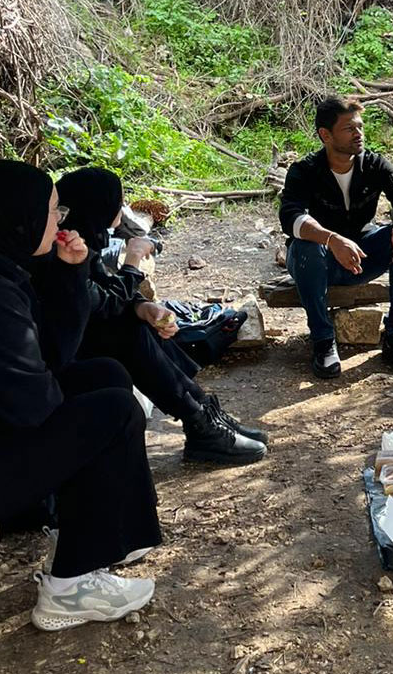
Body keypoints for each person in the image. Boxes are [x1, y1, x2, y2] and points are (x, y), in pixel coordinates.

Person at [0, 160, 160, 631]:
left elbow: (57, 356)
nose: (61, 221)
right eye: (54, 211)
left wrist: (68, 273)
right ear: (18, 217)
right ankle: (70, 587)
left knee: (103, 375)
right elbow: (34, 404)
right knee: (113, 411)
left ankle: (116, 530)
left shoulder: (1, 266)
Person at [52, 167, 267, 466]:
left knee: (137, 322)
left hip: (73, 340)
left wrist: (143, 307)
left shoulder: (81, 237)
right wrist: (134, 260)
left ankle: (203, 414)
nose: (58, 218)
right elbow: (101, 303)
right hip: (58, 355)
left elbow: (101, 292)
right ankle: (201, 422)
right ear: (99, 204)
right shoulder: (59, 250)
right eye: (54, 211)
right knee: (126, 331)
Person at [280, 95, 393, 378]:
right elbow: (290, 217)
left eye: (360, 127)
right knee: (304, 246)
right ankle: (322, 340)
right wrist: (331, 239)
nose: (358, 134)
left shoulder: (374, 165)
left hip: (361, 257)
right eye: (349, 128)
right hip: (318, 262)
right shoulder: (304, 171)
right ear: (325, 135)